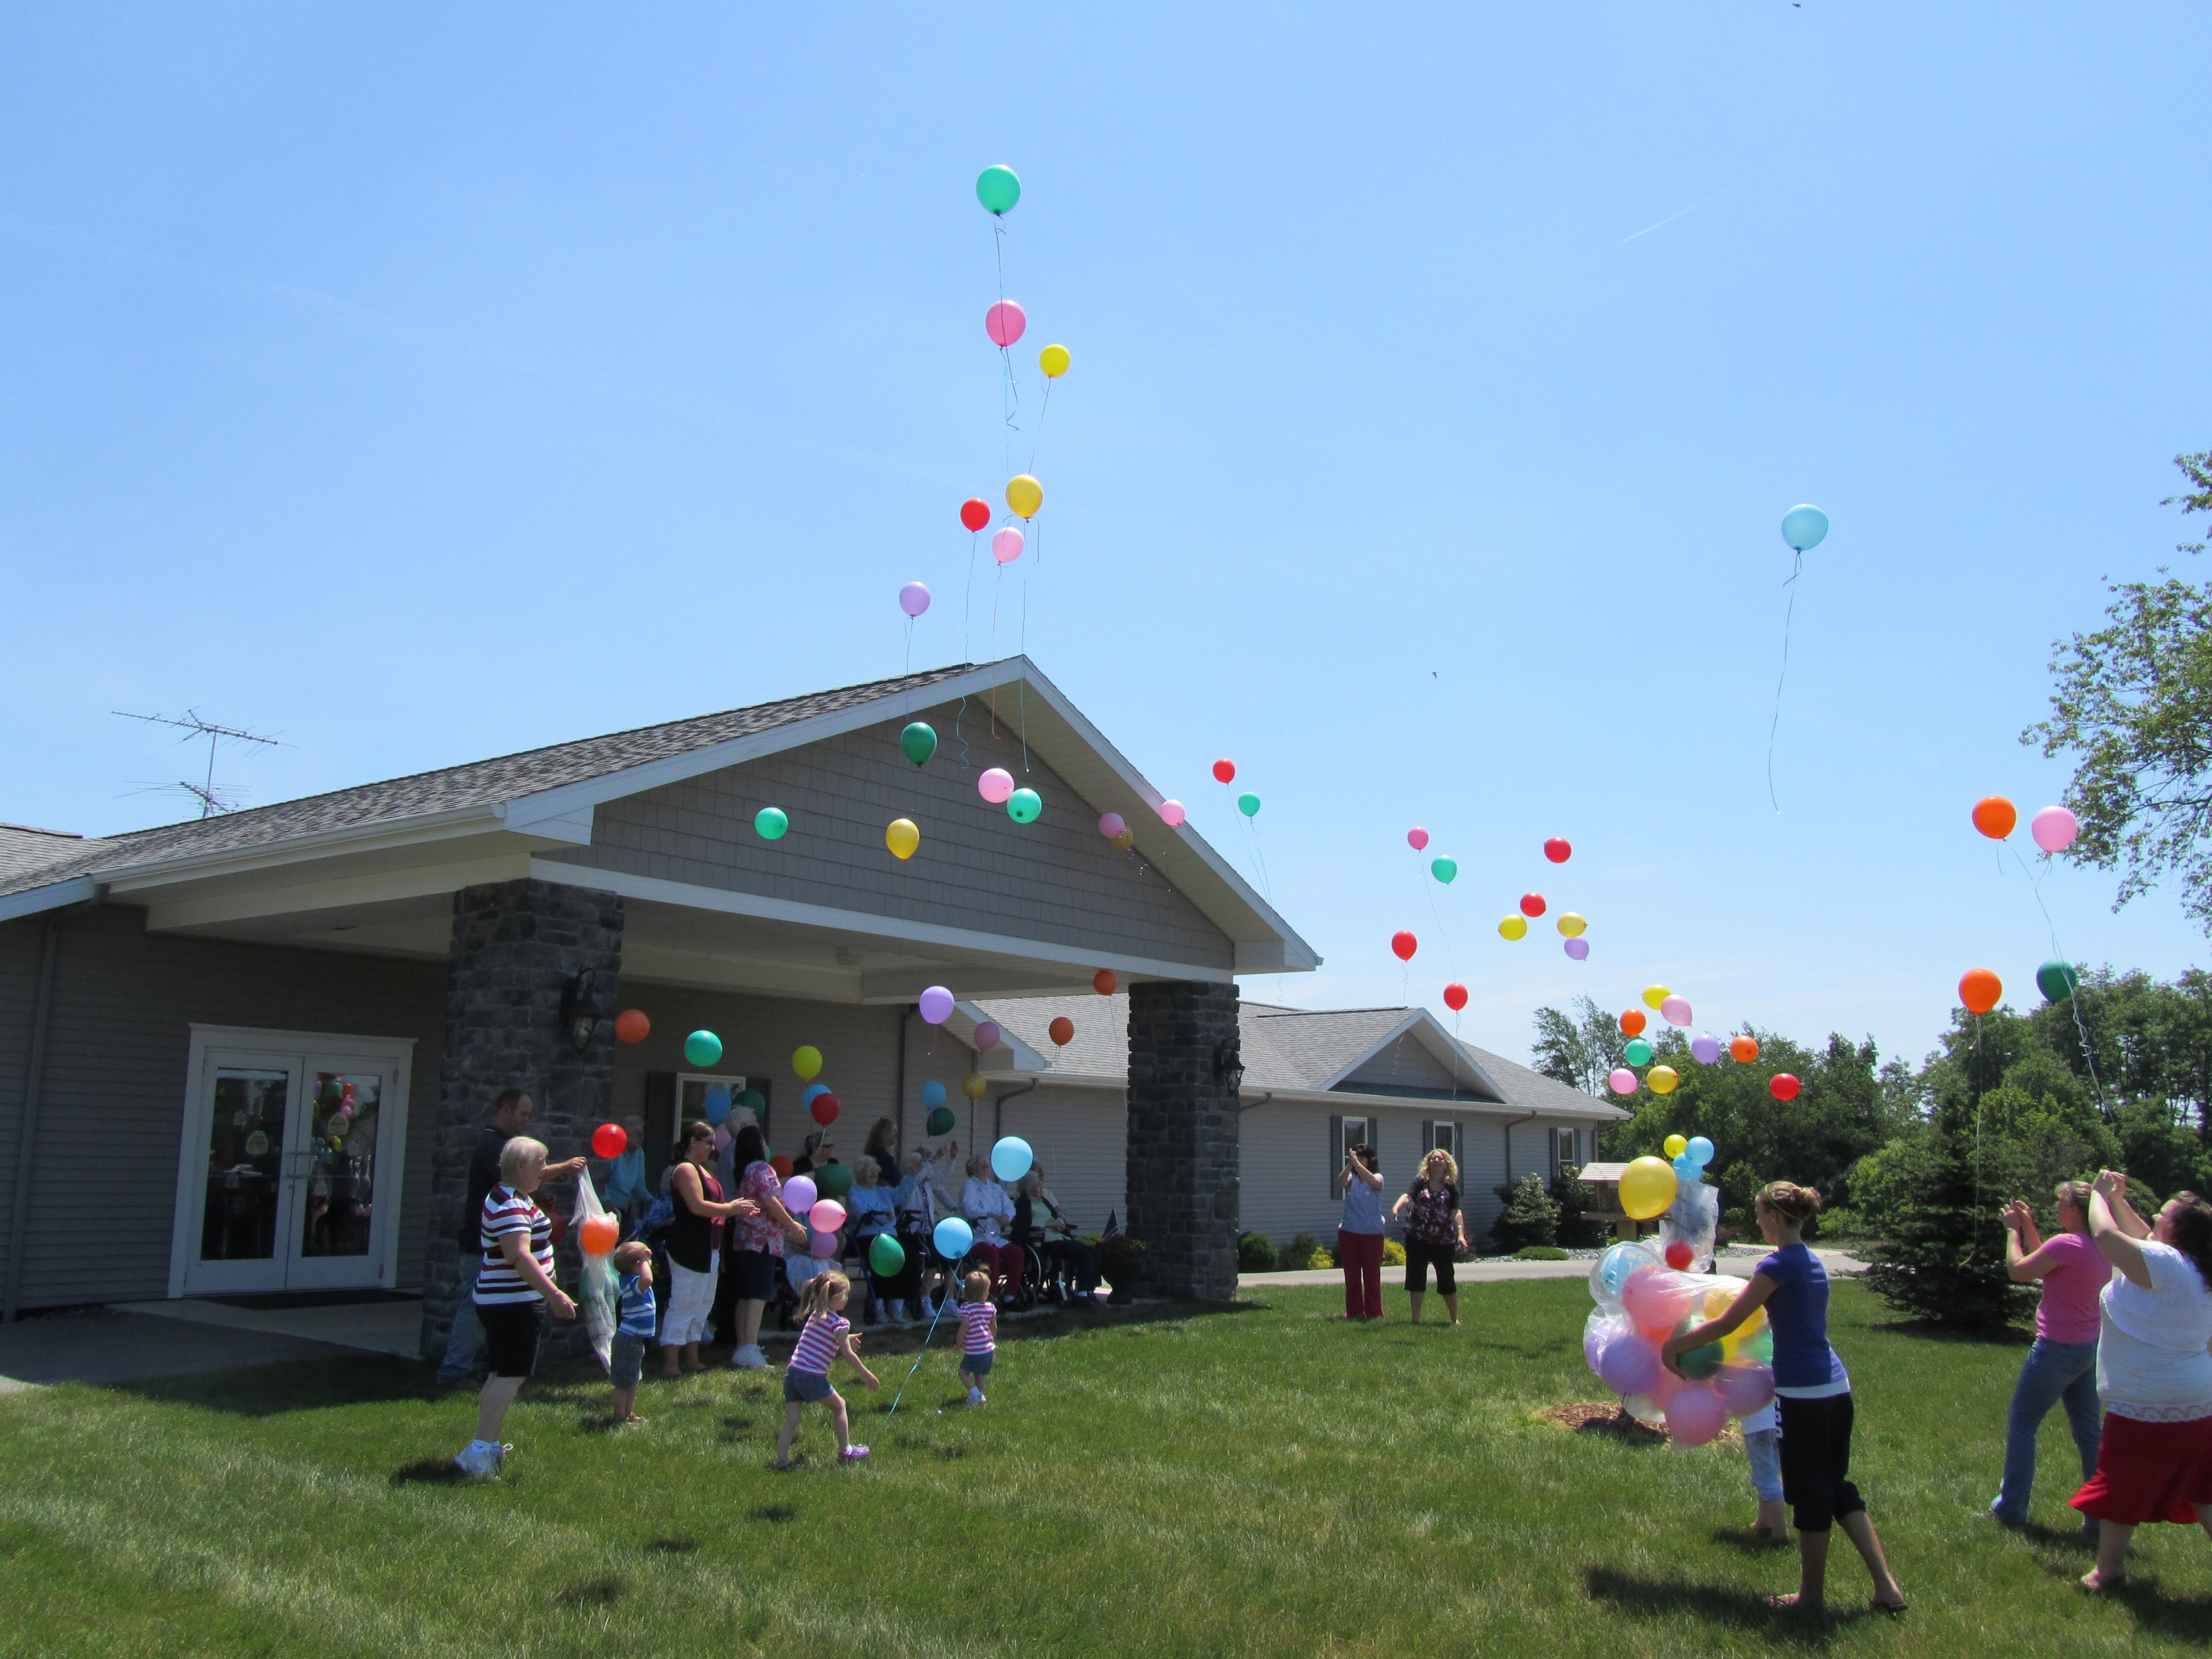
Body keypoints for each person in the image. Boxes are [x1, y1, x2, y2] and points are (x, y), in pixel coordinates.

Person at [1661, 1181, 1906, 1615]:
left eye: (1759, 1213)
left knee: (1811, 1493)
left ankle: (1810, 1598)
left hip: (1806, 1396)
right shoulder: (1810, 1262)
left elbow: (1729, 1323)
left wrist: (1673, 1348)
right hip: (1834, 1386)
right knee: (1837, 1487)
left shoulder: (1777, 1266)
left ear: (1775, 1217)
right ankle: (1887, 1588)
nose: (1756, 1220)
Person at [2070, 1173, 2212, 1592]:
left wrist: (2097, 1198)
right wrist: (2117, 1199)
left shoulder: (2166, 1266)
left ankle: (2108, 1572)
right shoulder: (2194, 1269)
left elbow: (2108, 1238)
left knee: (2120, 1481)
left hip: (2151, 1399)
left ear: (2179, 1232)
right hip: (2198, 1400)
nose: (2154, 1215)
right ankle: (2108, 1571)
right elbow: (2144, 1237)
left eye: (2163, 1213)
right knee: (2204, 1490)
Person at [438, 1089, 584, 1386]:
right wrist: (565, 1168)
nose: (526, 1121)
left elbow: (523, 1187)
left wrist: (539, 1200)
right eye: (523, 1114)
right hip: (482, 1249)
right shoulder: (495, 1146)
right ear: (505, 1110)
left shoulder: (503, 1150)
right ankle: (454, 1372)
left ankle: (487, 1369)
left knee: (486, 1315)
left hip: (492, 1251)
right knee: (475, 1310)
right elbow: (518, 1245)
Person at [453, 1136, 577, 1477]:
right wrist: (554, 1294)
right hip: (512, 1302)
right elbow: (519, 1256)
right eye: (540, 1163)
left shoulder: (512, 1196)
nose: (544, 1170)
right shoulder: (509, 1205)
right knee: (511, 1374)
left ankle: (486, 1444)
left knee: (500, 1372)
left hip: (506, 1300)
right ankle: (479, 1451)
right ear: (520, 1167)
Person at [1989, 1181, 2110, 1529]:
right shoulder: (2097, 1246)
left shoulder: (2068, 1245)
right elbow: (2047, 1263)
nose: (2056, 1206)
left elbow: (2019, 1270)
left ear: (2075, 1211)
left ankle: (2012, 1508)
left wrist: (2013, 1232)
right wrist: (2028, 1226)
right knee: (2089, 1433)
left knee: (2023, 1423)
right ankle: (2100, 1518)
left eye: (2061, 1202)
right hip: (2087, 1350)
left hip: (2056, 1349)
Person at [660, 1120, 756, 1377]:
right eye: (709, 1143)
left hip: (710, 1246)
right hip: (688, 1247)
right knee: (683, 1301)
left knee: (702, 1303)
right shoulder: (685, 1169)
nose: (713, 1149)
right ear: (693, 1142)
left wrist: (731, 1208)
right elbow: (698, 1206)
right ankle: (671, 1362)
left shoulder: (706, 1171)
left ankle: (692, 1358)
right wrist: (731, 1209)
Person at [774, 1270, 879, 1468]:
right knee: (840, 1406)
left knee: (792, 1421)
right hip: (812, 1377)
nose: (847, 1298)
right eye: (846, 1295)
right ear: (838, 1298)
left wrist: (846, 1339)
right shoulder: (841, 1323)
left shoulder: (816, 1315)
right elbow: (847, 1355)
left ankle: (782, 1461)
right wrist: (866, 1375)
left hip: (792, 1374)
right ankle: (846, 1451)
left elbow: (824, 1337)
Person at [728, 1122, 809, 1369]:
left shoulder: (743, 1170)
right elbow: (771, 1201)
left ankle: (743, 1347)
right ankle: (750, 1348)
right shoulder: (761, 1168)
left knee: (746, 1294)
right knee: (758, 1295)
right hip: (760, 1241)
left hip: (743, 1240)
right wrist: (792, 1226)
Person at [1391, 1148, 1466, 1326]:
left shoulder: (1451, 1188)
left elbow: (1456, 1212)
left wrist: (1461, 1234)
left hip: (1443, 1239)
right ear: (1428, 1163)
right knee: (1416, 1277)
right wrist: (1397, 1208)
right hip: (1418, 1236)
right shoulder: (1421, 1182)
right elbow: (1408, 1196)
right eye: (1433, 1159)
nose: (1436, 1161)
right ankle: (1416, 1319)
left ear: (1447, 1164)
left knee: (1447, 1277)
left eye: (1440, 1159)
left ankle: (1454, 1318)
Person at [1014, 1169, 1100, 1304]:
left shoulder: (1043, 1201)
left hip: (1058, 1236)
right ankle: (1082, 1295)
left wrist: (1060, 1222)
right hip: (1045, 1241)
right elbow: (1025, 1223)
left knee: (1093, 1251)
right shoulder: (1024, 1202)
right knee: (1085, 1255)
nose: (1041, 1186)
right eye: (1038, 1184)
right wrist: (1048, 1224)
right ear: (1030, 1186)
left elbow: (1056, 1215)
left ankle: (1089, 1291)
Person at [961, 1154, 1025, 1306]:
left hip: (995, 1236)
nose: (986, 1163)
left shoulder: (995, 1188)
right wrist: (991, 1214)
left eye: (987, 1161)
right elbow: (970, 1209)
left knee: (1017, 1253)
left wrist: (1006, 1217)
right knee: (991, 1253)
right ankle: (992, 1295)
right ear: (972, 1167)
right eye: (981, 1161)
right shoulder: (969, 1185)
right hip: (977, 1236)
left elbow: (1010, 1207)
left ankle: (1010, 1296)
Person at [1336, 1142, 1386, 1321]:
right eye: (1357, 1156)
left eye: (1362, 1157)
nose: (1358, 1160)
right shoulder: (1351, 1179)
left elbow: (1375, 1183)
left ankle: (1374, 1311)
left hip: (1373, 1234)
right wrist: (1350, 1165)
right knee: (1352, 1276)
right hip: (1350, 1232)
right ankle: (1354, 1311)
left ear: (1370, 1160)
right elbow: (1341, 1182)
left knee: (1372, 1276)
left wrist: (1358, 1165)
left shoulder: (1378, 1177)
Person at [847, 1159, 900, 1322]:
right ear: (860, 1173)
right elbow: (860, 1211)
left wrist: (914, 1174)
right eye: (868, 1170)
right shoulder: (854, 1192)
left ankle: (897, 1307)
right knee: (883, 1259)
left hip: (889, 1236)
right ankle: (878, 1307)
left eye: (875, 1170)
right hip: (866, 1237)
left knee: (909, 1258)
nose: (874, 1173)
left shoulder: (883, 1191)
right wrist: (883, 1214)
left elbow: (893, 1216)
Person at [609, 1240, 655, 1425]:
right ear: (638, 1265)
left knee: (633, 1380)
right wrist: (644, 1260)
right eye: (644, 1261)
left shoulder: (632, 1281)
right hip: (628, 1340)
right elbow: (648, 1279)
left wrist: (642, 1259)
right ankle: (620, 1418)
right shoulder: (633, 1283)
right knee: (624, 1382)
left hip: (635, 1339)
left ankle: (629, 1414)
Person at [1743, 1399, 1788, 1543]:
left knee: (1767, 1481)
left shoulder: (1743, 1375)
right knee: (1769, 1474)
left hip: (1758, 1426)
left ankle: (1780, 1534)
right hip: (1778, 1422)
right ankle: (1764, 1522)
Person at [957, 1268, 997, 1405]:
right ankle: (981, 1395)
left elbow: (965, 1326)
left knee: (963, 1373)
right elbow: (994, 1327)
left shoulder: (966, 1308)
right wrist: (991, 1341)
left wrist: (959, 1343)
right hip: (988, 1350)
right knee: (979, 1373)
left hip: (974, 1350)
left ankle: (974, 1394)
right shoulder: (991, 1307)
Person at [601, 1117, 649, 1221]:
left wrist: (650, 1200)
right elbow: (598, 1182)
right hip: (606, 1209)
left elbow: (638, 1186)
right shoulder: (613, 1151)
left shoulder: (640, 1154)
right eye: (638, 1133)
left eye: (643, 1134)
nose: (642, 1137)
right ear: (625, 1133)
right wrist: (607, 1201)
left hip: (624, 1210)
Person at [863, 1116, 902, 1186]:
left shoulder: (884, 1154)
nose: (896, 1135)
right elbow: (881, 1180)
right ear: (885, 1133)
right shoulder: (880, 1154)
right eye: (894, 1132)